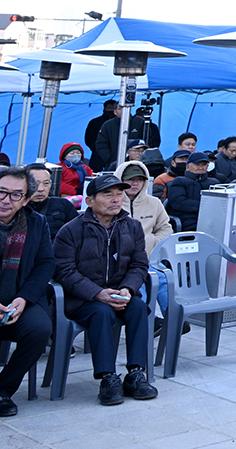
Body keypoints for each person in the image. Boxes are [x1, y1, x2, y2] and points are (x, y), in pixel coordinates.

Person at [53, 173, 158, 405]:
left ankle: (136, 373)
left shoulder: (132, 226)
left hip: (120, 293)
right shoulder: (71, 230)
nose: (115, 199)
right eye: (107, 194)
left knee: (138, 308)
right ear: (90, 201)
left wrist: (128, 289)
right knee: (102, 312)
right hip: (83, 298)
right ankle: (108, 377)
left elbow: (140, 264)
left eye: (119, 194)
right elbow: (64, 271)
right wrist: (97, 293)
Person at [0, 165, 55, 421]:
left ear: (27, 199)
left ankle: (1, 391)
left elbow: (45, 264)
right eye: (0, 192)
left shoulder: (36, 223)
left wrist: (24, 299)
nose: (6, 200)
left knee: (40, 329)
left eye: (15, 195)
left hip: (16, 300)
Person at [119, 160, 174, 258]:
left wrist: (151, 242)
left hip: (148, 259)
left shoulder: (155, 202)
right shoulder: (111, 203)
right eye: (130, 179)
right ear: (120, 180)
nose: (135, 183)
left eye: (139, 179)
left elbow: (166, 229)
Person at [164, 151, 216, 232]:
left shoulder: (214, 183)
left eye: (204, 165)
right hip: (188, 221)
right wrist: (204, 207)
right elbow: (178, 203)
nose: (201, 167)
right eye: (197, 165)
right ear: (187, 167)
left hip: (212, 220)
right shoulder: (179, 182)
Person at [25, 163, 80, 237]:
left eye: (46, 183)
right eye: (34, 184)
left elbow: (78, 234)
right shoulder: (16, 206)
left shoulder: (63, 205)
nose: (41, 189)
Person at [83, 100, 119, 168]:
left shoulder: (122, 123)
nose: (110, 110)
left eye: (112, 108)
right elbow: (88, 138)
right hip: (97, 155)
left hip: (116, 155)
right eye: (109, 107)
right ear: (104, 108)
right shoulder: (95, 122)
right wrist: (97, 149)